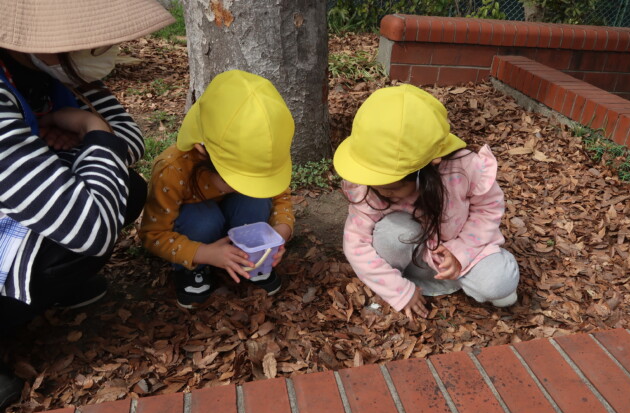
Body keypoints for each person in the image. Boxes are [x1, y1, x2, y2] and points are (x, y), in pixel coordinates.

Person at [0, 0, 174, 410]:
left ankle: (50, 290)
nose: (100, 47)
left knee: (126, 188)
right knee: (86, 224)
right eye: (82, 36)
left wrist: (77, 137)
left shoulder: (48, 68)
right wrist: (90, 127)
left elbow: (130, 139)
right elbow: (89, 228)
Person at [333, 84, 520, 320]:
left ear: (426, 170)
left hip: (465, 252)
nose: (382, 192)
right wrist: (398, 291)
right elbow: (356, 244)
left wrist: (460, 253)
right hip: (413, 258)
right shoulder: (369, 185)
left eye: (392, 188)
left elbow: (488, 209)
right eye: (375, 184)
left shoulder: (464, 168)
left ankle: (474, 275)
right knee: (392, 231)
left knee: (500, 286)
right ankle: (402, 282)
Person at [139, 70, 295, 310]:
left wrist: (279, 235)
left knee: (255, 200)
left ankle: (253, 257)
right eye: (238, 180)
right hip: (196, 230)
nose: (247, 186)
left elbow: (280, 197)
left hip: (236, 220)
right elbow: (153, 234)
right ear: (202, 151)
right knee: (203, 220)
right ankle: (194, 270)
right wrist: (204, 253)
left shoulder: (262, 152)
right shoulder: (173, 169)